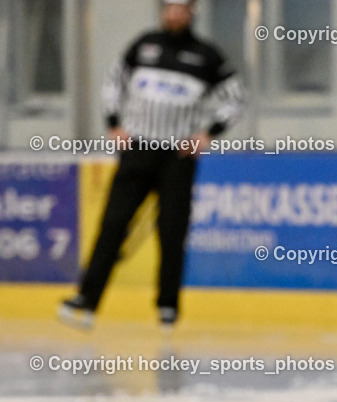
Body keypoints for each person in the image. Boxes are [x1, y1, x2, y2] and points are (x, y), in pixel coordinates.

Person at [59, 0, 245, 330]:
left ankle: (168, 306)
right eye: (169, 8)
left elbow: (235, 97)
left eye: (181, 9)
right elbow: (113, 81)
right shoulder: (143, 45)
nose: (174, 14)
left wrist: (209, 133)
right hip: (139, 150)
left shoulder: (207, 55)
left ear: (191, 13)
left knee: (172, 231)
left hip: (177, 156)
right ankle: (87, 298)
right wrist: (113, 123)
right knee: (113, 225)